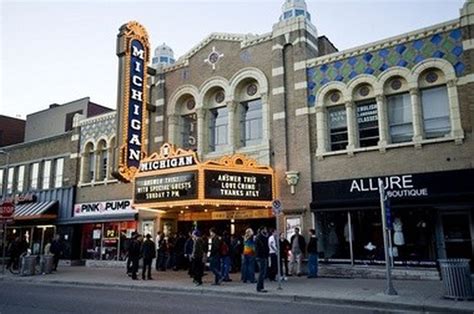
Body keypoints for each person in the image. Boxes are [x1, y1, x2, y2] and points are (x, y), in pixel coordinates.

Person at [255, 226, 269, 293]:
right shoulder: (261, 237)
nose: (266, 230)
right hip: (261, 256)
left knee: (262, 272)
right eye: (265, 229)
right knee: (262, 272)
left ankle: (261, 286)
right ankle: (259, 287)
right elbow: (264, 247)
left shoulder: (259, 237)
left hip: (260, 256)